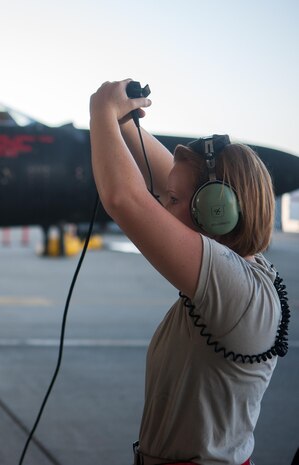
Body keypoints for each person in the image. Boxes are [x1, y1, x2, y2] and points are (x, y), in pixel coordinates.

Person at [89, 79, 289, 465]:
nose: (162, 208)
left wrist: (100, 109)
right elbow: (171, 181)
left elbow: (123, 198)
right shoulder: (244, 260)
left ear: (217, 211)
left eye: (173, 201)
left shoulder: (235, 288)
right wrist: (126, 123)